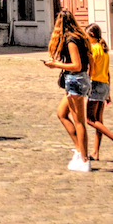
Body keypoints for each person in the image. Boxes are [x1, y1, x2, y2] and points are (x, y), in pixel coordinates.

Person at [41, 9, 94, 172]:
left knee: (79, 122)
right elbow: (88, 61)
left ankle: (84, 160)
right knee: (61, 113)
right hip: (79, 80)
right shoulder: (80, 37)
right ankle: (79, 150)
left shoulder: (71, 40)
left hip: (75, 80)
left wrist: (55, 64)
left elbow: (76, 65)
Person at [84, 24, 113, 160]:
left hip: (95, 84)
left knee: (90, 119)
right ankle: (95, 152)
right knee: (99, 121)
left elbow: (90, 69)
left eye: (86, 36)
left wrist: (85, 85)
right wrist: (108, 93)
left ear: (91, 35)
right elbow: (107, 72)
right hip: (104, 85)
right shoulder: (104, 50)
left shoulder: (93, 49)